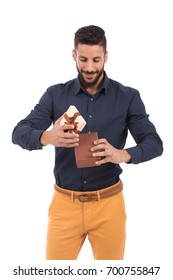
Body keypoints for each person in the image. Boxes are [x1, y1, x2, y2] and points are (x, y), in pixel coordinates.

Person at [12, 25, 163, 260]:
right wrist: (46, 137)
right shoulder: (55, 94)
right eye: (83, 59)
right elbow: (19, 132)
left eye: (96, 59)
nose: (90, 67)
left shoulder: (128, 96)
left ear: (106, 57)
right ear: (74, 55)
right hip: (64, 205)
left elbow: (154, 143)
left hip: (109, 205)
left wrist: (122, 154)